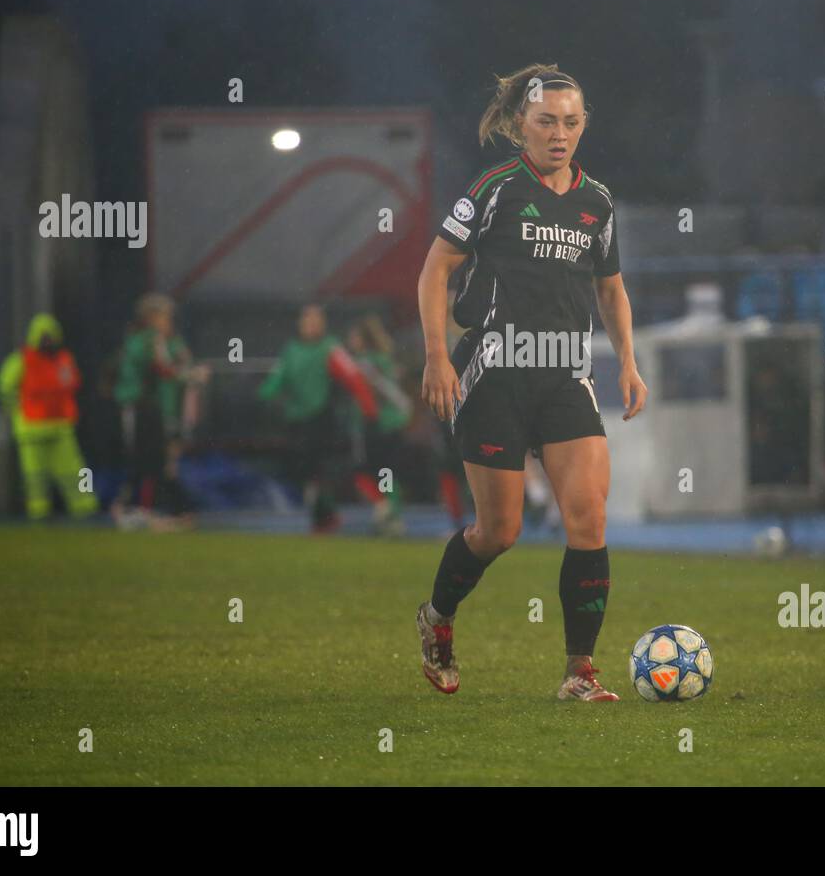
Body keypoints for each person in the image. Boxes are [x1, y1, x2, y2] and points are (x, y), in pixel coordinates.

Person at [415, 64, 647, 701]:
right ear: (521, 125)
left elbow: (610, 289)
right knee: (501, 532)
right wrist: (437, 356)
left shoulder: (596, 202)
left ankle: (579, 672)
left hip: (565, 375)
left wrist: (626, 361)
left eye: (572, 122)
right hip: (492, 372)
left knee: (588, 518)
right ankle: (437, 619)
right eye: (547, 121)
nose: (560, 133)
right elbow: (435, 272)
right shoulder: (494, 189)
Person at [258, 303, 378, 532]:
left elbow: (353, 378)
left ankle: (326, 519)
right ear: (300, 324)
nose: (312, 325)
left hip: (322, 420)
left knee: (322, 472)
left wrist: (369, 410)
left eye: (316, 320)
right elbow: (275, 381)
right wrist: (264, 398)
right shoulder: (290, 350)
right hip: (297, 423)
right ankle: (324, 517)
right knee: (309, 474)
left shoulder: (330, 348)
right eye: (308, 320)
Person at [112, 293, 206, 529]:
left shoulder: (155, 340)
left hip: (150, 408)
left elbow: (171, 363)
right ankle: (130, 510)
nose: (168, 321)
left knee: (156, 460)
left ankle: (148, 510)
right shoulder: (147, 339)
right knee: (144, 458)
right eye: (165, 317)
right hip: (139, 406)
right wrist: (190, 374)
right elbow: (161, 368)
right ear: (152, 318)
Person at [0, 313, 98, 520]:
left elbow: (72, 385)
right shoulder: (22, 360)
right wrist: (17, 409)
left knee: (74, 471)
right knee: (35, 476)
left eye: (50, 336)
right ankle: (38, 512)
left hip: (60, 426)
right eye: (44, 337)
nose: (47, 341)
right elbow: (5, 387)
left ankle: (85, 508)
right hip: (32, 428)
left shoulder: (63, 360)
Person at [345, 315, 414, 536]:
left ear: (362, 339)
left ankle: (384, 510)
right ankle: (393, 517)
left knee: (363, 472)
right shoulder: (385, 360)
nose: (351, 340)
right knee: (390, 473)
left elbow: (379, 392)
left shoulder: (363, 363)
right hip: (395, 423)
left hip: (375, 424)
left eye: (354, 336)